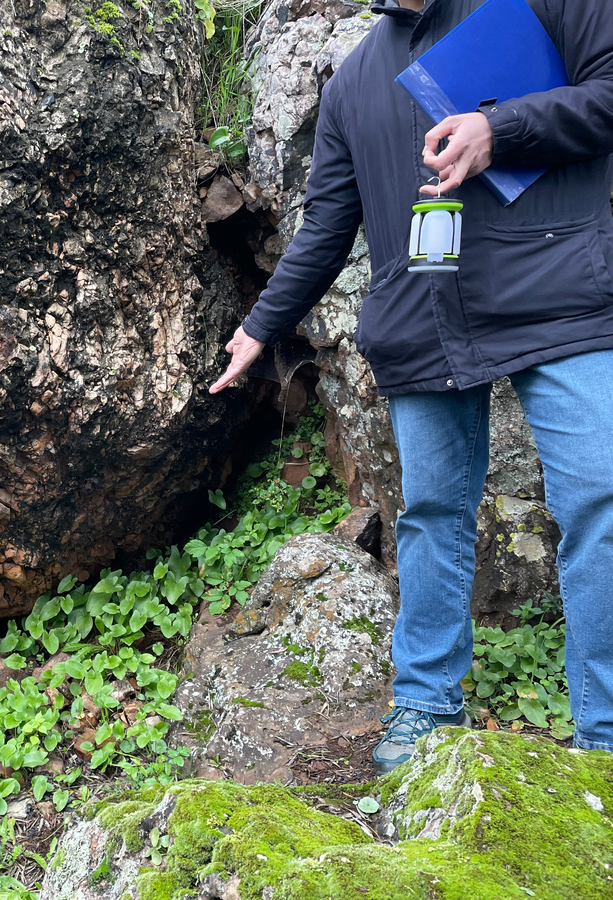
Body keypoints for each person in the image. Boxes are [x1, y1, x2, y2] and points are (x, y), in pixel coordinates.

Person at [211, 0, 613, 774]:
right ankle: (426, 704)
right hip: (423, 320)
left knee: (603, 495)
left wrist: (501, 128)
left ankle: (605, 734)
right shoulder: (354, 81)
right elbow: (328, 223)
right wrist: (262, 324)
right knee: (429, 514)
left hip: (561, 298)